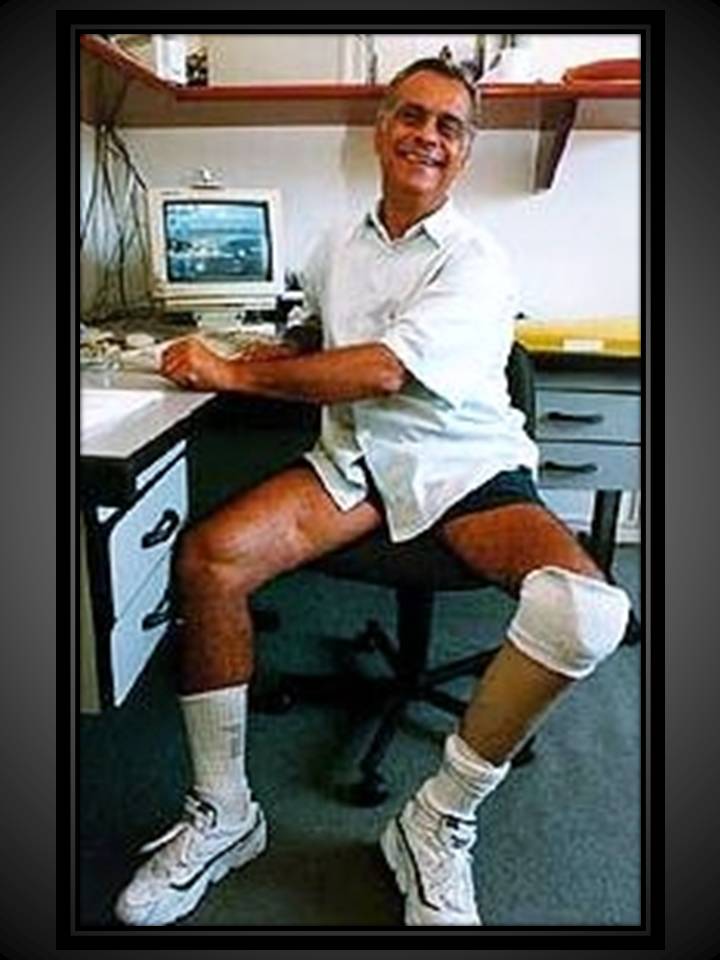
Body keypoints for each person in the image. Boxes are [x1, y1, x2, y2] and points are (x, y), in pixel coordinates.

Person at [115, 58, 630, 928]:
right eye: (411, 116)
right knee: (208, 560)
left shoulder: (477, 260)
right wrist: (279, 349)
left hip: (463, 465)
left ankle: (437, 821)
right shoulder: (338, 245)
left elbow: (387, 369)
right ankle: (226, 813)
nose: (427, 136)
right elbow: (324, 328)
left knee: (585, 613)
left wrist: (233, 375)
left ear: (465, 151)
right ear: (382, 127)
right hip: (355, 463)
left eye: (448, 126)